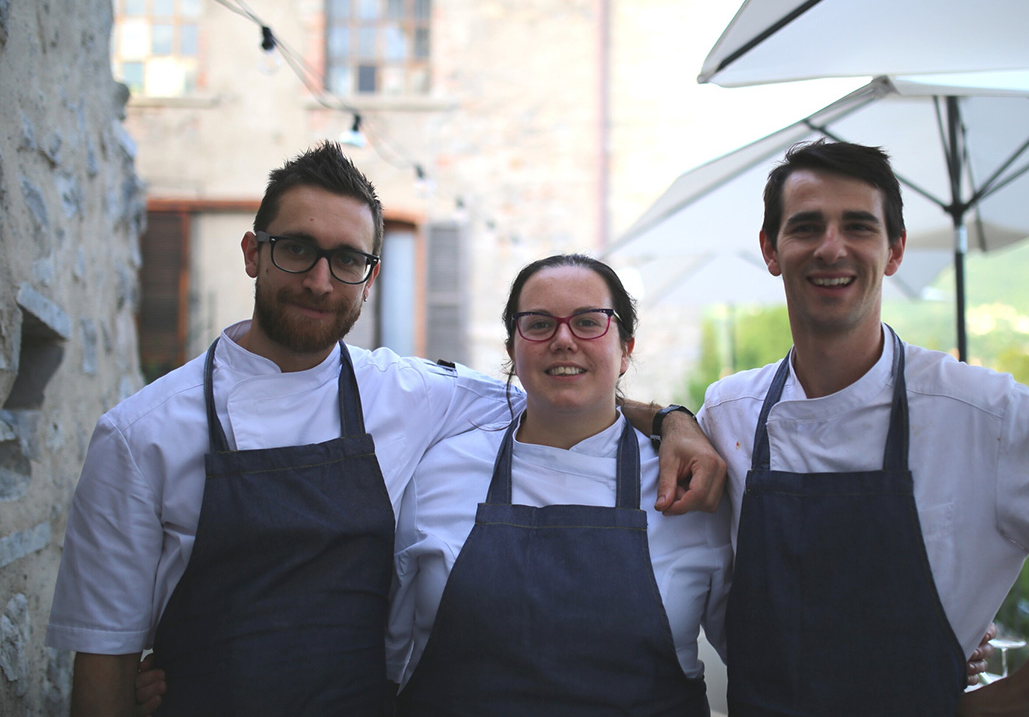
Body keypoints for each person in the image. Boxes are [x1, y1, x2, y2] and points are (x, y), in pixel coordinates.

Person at [47, 143, 723, 717]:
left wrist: (671, 420)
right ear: (253, 253)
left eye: (347, 260)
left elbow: (563, 388)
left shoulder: (411, 392)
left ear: (370, 277)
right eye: (297, 250)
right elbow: (101, 659)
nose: (319, 280)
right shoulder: (139, 436)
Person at [697, 139, 1029, 717]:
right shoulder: (726, 411)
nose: (831, 247)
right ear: (770, 249)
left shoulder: (983, 412)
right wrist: (670, 420)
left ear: (894, 250)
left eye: (858, 227)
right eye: (807, 227)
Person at [388, 254, 733, 715]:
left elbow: (752, 658)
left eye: (589, 322)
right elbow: (390, 657)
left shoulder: (686, 487)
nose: (563, 340)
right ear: (513, 348)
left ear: (626, 349)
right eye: (538, 324)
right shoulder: (436, 472)